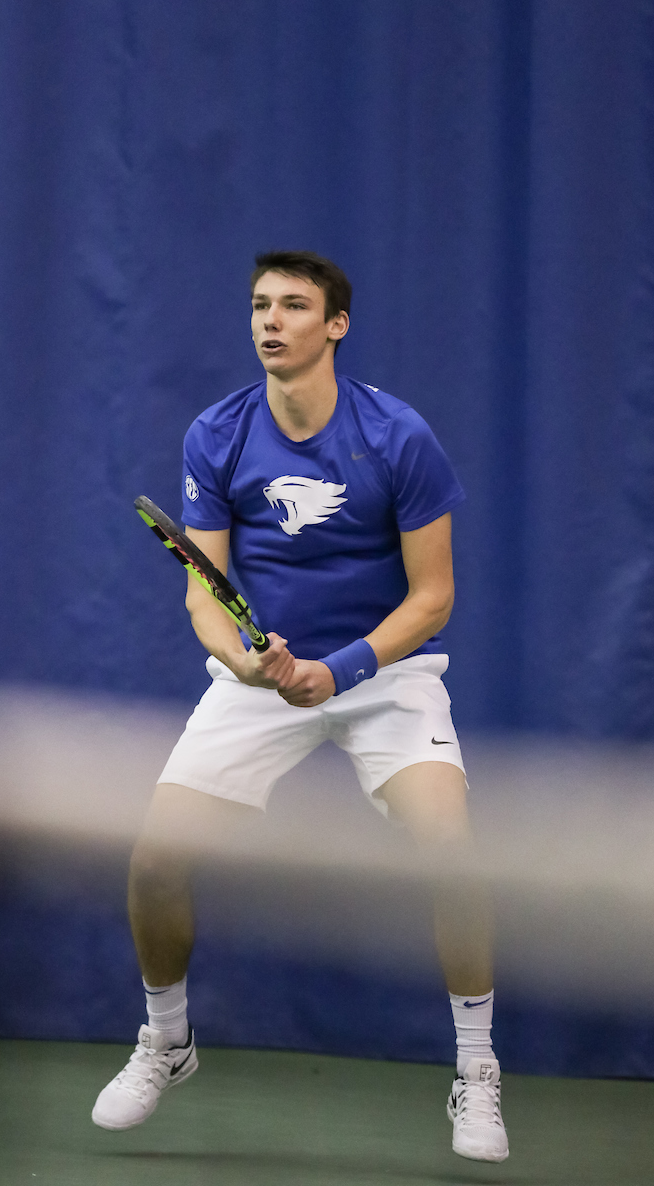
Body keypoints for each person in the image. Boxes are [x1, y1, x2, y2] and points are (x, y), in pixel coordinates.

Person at [92, 250, 508, 1162]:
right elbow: (204, 587)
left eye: (292, 305)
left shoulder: (398, 436)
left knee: (455, 858)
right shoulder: (220, 433)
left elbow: (433, 597)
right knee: (155, 862)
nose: (269, 321)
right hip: (265, 677)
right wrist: (242, 659)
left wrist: (344, 668)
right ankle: (168, 1040)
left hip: (385, 676)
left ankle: (477, 1069)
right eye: (258, 306)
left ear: (335, 327)